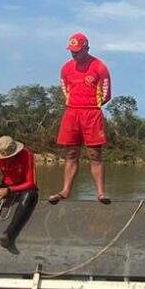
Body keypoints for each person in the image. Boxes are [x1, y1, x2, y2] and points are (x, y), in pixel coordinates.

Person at [49, 33, 112, 205]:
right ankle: (66, 190)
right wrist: (74, 104)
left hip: (92, 113)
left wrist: (92, 104)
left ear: (86, 48)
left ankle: (100, 192)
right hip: (72, 113)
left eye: (77, 51)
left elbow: (106, 94)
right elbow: (65, 89)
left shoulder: (99, 66)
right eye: (71, 51)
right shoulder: (66, 68)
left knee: (94, 154)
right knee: (71, 153)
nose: (74, 54)